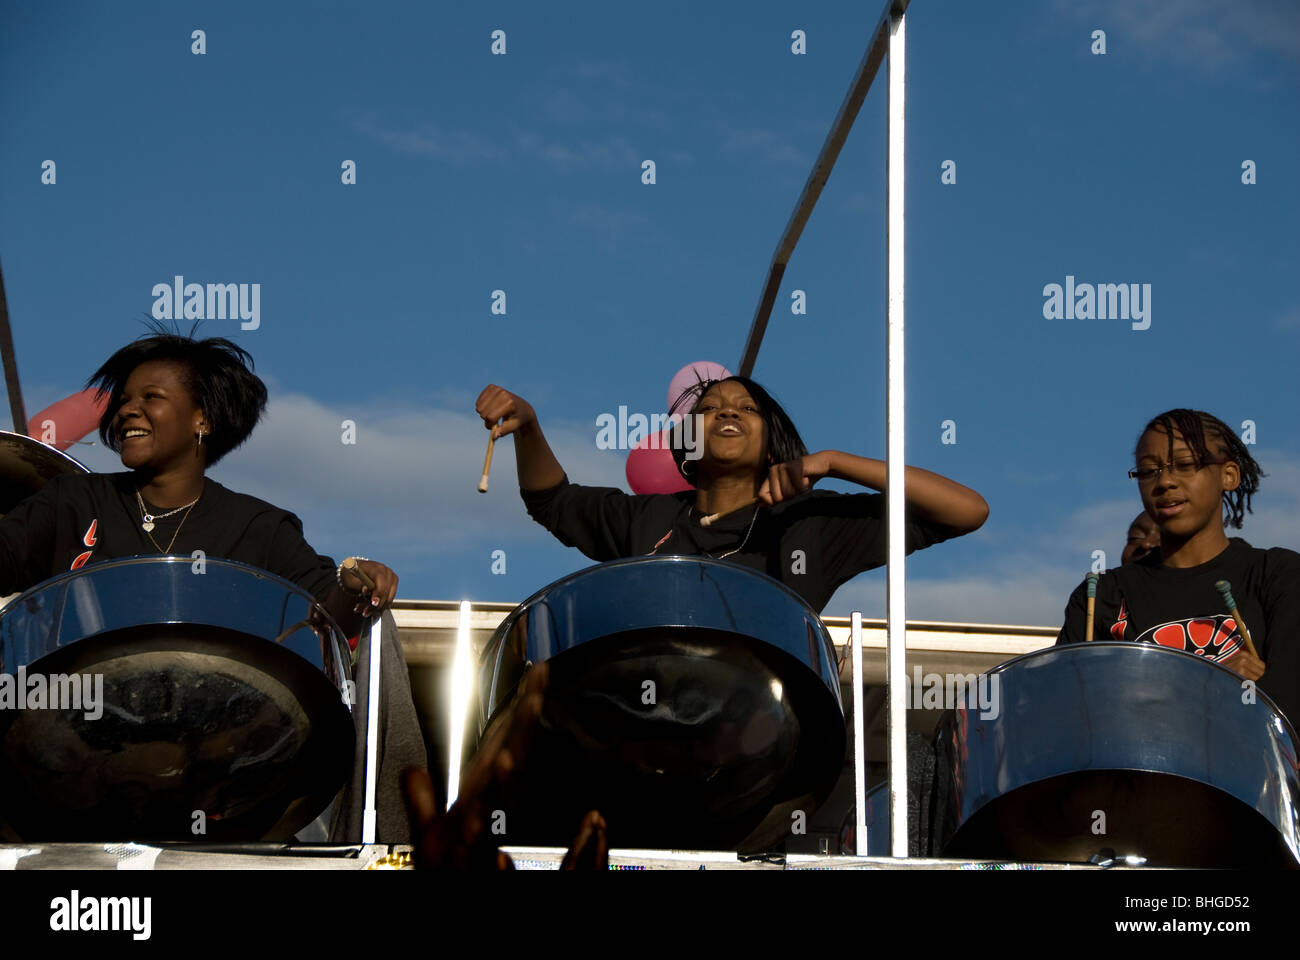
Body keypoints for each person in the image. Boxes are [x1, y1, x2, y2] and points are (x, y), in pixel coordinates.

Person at [0, 329, 426, 841]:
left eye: (151, 398)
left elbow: (325, 613)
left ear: (202, 418)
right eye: (124, 401)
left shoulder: (259, 528)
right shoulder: (70, 502)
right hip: (74, 760)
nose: (127, 412)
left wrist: (357, 586)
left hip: (217, 778)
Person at [475, 376, 988, 613]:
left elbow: (966, 511)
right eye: (711, 408)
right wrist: (531, 426)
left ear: (772, 443)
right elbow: (552, 501)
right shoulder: (645, 518)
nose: (727, 412)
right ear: (688, 446)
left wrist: (834, 462)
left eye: (746, 408)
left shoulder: (810, 523)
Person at [1056, 409, 1300, 726]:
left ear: (1229, 475)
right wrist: (1216, 688)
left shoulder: (1279, 575)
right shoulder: (1101, 595)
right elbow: (1068, 716)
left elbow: (1286, 711)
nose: (1165, 482)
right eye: (1148, 471)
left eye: (1185, 465)